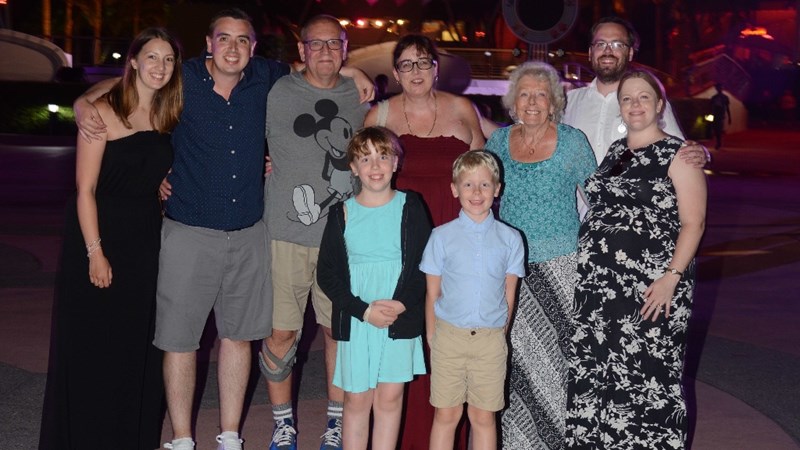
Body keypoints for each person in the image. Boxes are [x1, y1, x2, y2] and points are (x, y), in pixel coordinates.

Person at [73, 10, 373, 450]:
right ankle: (181, 438)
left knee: (239, 338)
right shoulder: (182, 78)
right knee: (180, 341)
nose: (233, 48)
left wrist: (353, 69)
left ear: (254, 47)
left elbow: (316, 62)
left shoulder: (265, 77)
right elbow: (125, 84)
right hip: (188, 230)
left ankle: (230, 435)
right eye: (224, 39)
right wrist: (82, 104)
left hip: (249, 232)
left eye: (242, 40)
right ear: (209, 44)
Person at [39, 27, 182, 450]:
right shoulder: (101, 113)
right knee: (94, 343)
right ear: (133, 61)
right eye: (151, 57)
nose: (160, 67)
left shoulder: (169, 114)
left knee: (136, 344)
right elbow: (84, 191)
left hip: (146, 239)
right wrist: (95, 253)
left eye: (168, 59)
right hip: (99, 235)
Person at [565, 70, 707, 449]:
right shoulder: (615, 152)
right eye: (627, 98)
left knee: (648, 375)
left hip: (652, 288)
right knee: (599, 371)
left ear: (660, 105)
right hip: (600, 288)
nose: (635, 105)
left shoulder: (679, 154)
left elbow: (694, 223)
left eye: (644, 97)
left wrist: (671, 277)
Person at [363, 35, 485, 448]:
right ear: (395, 73)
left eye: (423, 62)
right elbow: (364, 180)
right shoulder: (380, 113)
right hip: (401, 241)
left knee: (451, 339)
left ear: (436, 67)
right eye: (406, 64)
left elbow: (481, 175)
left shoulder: (462, 108)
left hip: (456, 238)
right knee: (405, 334)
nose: (415, 71)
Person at [258, 14, 368, 450]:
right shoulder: (277, 90)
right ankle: (282, 425)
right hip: (284, 235)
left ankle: (335, 425)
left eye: (333, 43)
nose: (325, 51)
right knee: (281, 333)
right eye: (315, 44)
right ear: (301, 50)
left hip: (342, 239)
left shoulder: (359, 95)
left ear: (345, 47)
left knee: (337, 333)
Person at [484, 61, 597, 450]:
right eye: (524, 94)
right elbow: (481, 199)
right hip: (510, 271)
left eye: (541, 95)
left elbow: (599, 202)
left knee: (556, 361)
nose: (532, 102)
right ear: (513, 102)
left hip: (562, 269)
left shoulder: (572, 142)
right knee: (513, 360)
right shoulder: (499, 143)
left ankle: (558, 441)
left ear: (554, 103)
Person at [317, 126, 430, 450]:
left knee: (390, 397)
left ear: (396, 162)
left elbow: (426, 263)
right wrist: (363, 311)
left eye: (383, 156)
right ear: (353, 168)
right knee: (356, 399)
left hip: (399, 318)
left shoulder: (411, 206)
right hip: (358, 320)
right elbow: (327, 273)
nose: (375, 166)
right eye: (365, 159)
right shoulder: (341, 213)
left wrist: (402, 304)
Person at [420, 150, 525, 450]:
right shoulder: (441, 237)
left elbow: (509, 293)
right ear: (455, 189)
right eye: (468, 184)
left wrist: (501, 333)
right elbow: (432, 293)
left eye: (484, 184)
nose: (476, 192)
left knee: (483, 417)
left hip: (490, 341)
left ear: (497, 189)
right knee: (446, 414)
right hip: (448, 338)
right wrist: (432, 336)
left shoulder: (510, 239)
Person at [563, 17, 708, 167]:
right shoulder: (568, 102)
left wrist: (700, 153)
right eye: (600, 44)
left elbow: (681, 155)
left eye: (617, 44)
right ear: (590, 52)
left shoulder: (650, 102)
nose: (607, 51)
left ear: (630, 53)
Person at [710, 83, 732, 148]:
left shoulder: (724, 97)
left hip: (720, 115)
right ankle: (718, 142)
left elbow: (727, 107)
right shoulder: (714, 97)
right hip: (715, 115)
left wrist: (729, 117)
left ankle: (718, 142)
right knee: (716, 129)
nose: (719, 89)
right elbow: (711, 108)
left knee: (719, 129)